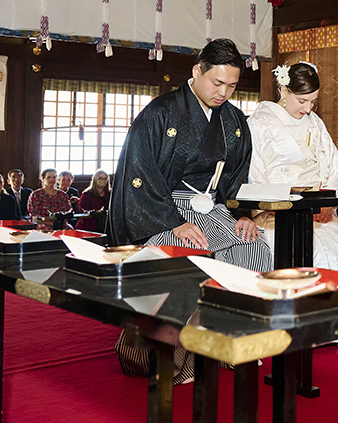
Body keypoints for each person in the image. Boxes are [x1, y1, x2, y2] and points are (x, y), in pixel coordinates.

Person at [108, 38, 269, 269]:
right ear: (197, 71)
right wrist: (173, 223)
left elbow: (237, 175)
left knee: (254, 246)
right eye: (217, 82)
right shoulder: (160, 113)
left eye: (232, 86)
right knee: (181, 252)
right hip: (167, 211)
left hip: (215, 209)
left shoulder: (233, 119)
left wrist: (242, 215)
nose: (223, 92)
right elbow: (139, 174)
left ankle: (234, 303)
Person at [247, 62, 338, 272]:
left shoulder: (315, 122)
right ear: (284, 90)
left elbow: (333, 165)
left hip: (318, 211)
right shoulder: (259, 123)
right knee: (305, 253)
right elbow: (254, 173)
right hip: (277, 212)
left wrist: (328, 202)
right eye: (302, 101)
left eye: (313, 102)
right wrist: (275, 205)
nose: (308, 108)